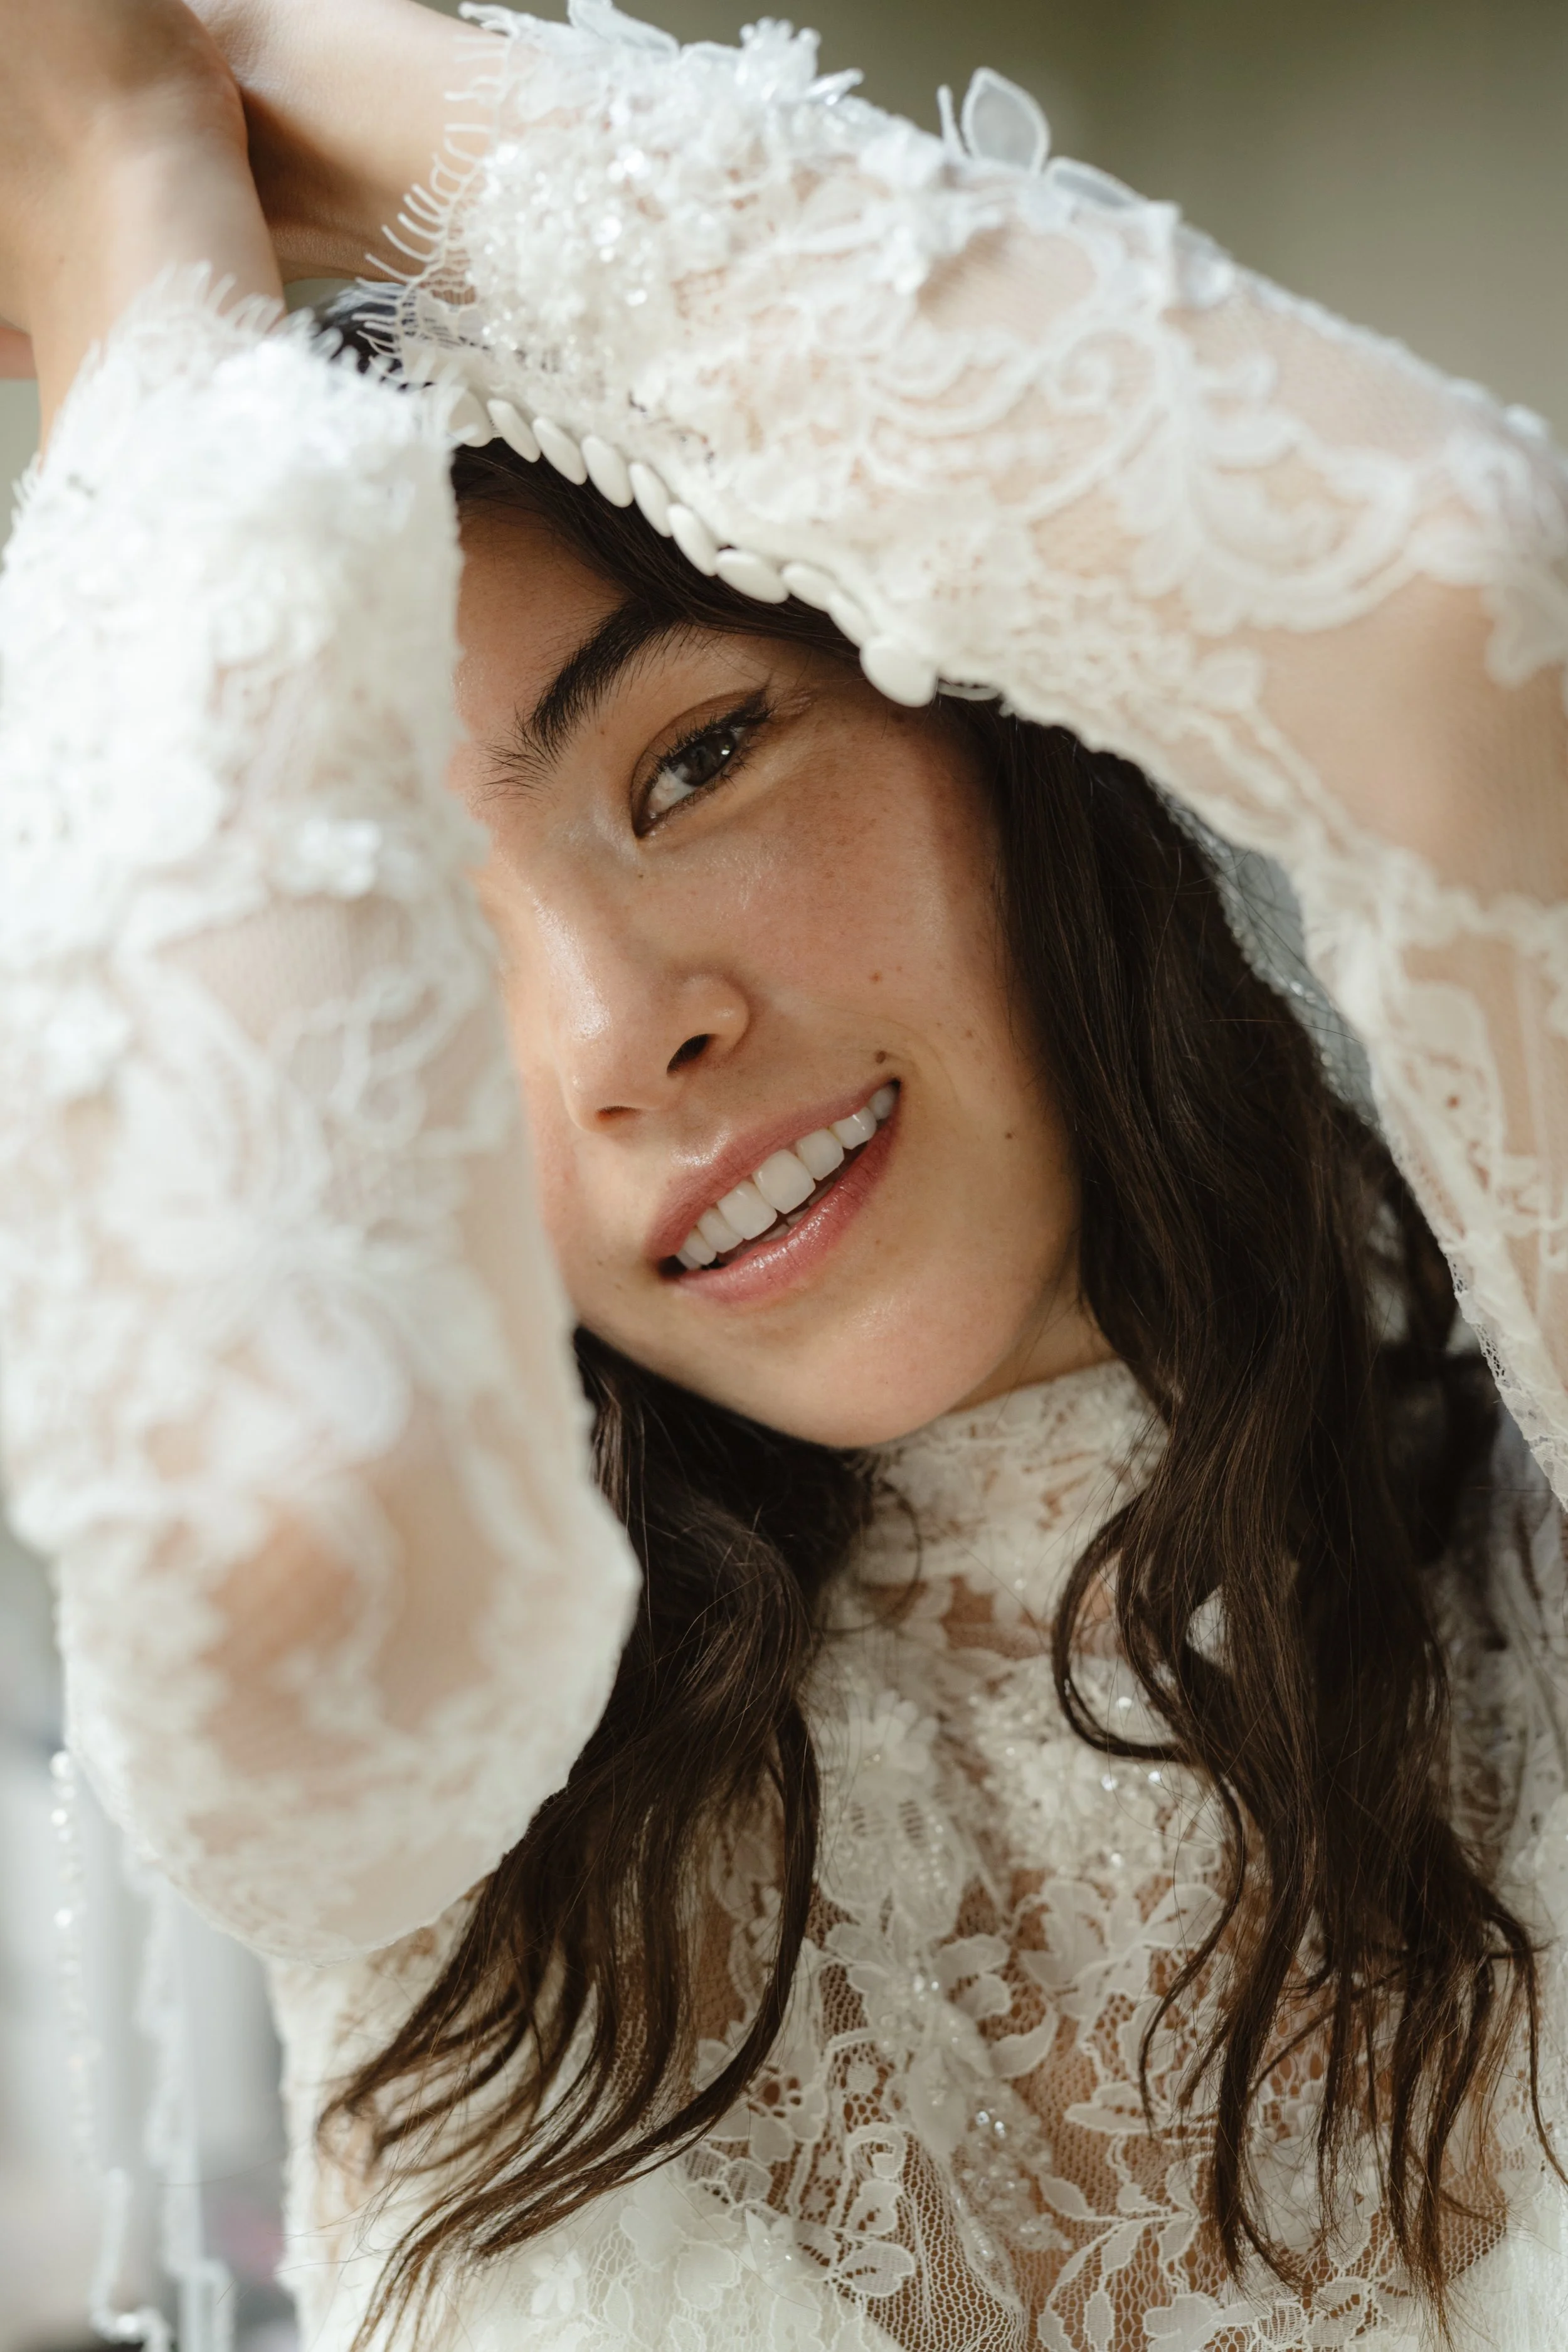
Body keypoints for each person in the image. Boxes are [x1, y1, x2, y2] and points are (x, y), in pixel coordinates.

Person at [2, 1, 1567, 2345]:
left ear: (983, 697)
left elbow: (1456, 596)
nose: (631, 1033)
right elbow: (264, 1506)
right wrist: (127, 223)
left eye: (703, 751)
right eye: (420, 940)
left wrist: (270, 77)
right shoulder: (446, 1748)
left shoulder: (1531, 1524)